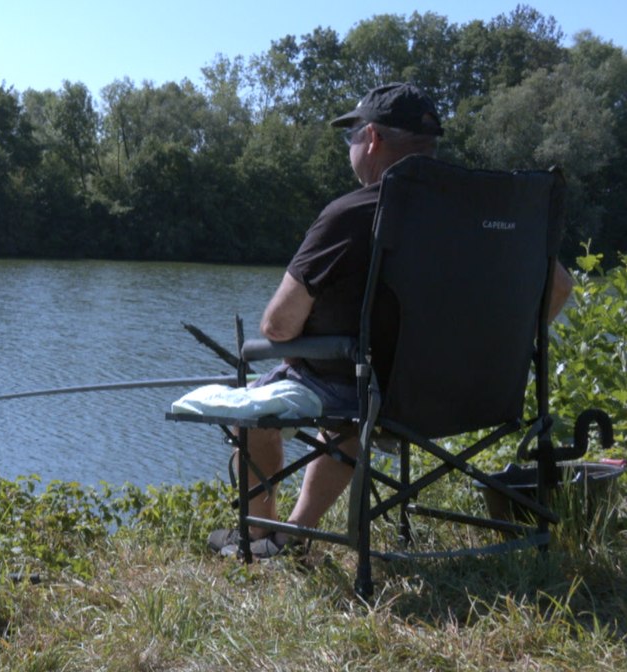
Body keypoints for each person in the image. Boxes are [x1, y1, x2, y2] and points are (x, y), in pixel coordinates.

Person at [207, 82, 574, 558]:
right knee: (356, 400)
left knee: (264, 409)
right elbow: (561, 285)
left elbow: (277, 326)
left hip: (379, 397)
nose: (352, 147)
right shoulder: (488, 208)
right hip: (478, 392)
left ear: (374, 138)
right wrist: (500, 347)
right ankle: (296, 535)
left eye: (352, 135)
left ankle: (256, 537)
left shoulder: (350, 215)